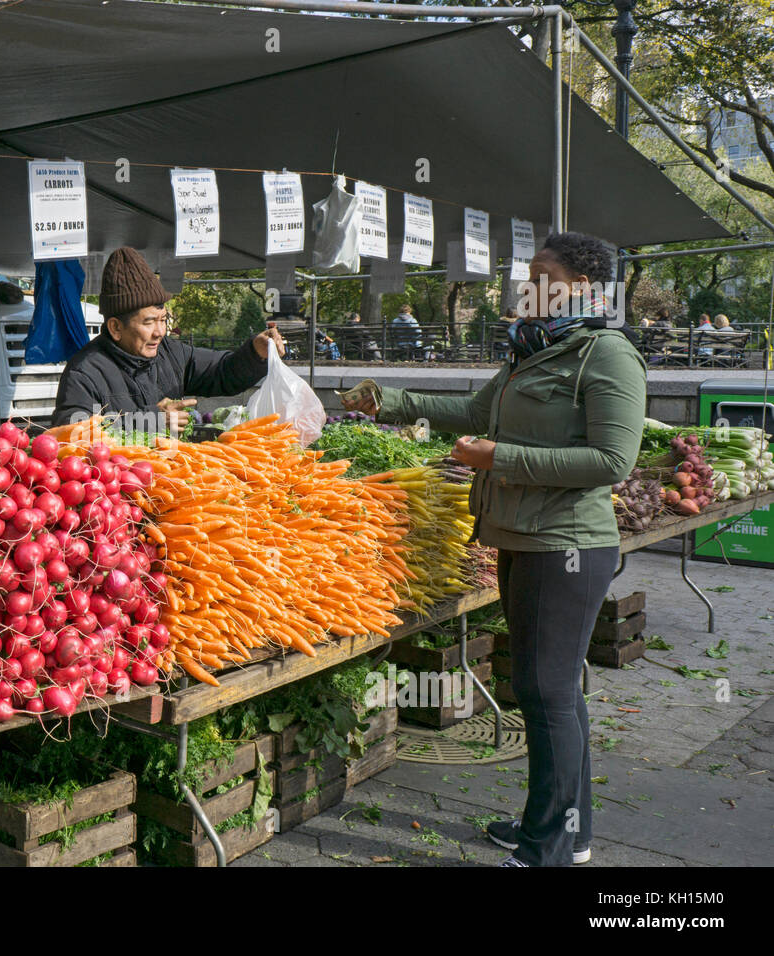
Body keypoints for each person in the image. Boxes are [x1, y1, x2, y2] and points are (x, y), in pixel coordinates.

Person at [342, 231, 646, 867]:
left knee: (545, 693)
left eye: (541, 273)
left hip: (565, 545)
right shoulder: (530, 352)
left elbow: (611, 460)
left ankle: (547, 850)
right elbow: (475, 411)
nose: (526, 285)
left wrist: (501, 458)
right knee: (551, 693)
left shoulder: (606, 355)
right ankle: (566, 829)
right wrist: (389, 401)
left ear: (581, 287)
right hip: (517, 537)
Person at [51, 247, 284, 431]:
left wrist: (255, 353)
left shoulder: (171, 353)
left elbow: (222, 371)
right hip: (116, 487)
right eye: (149, 322)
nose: (160, 331)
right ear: (115, 327)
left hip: (169, 480)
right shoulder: (84, 372)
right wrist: (151, 421)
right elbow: (70, 431)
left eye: (163, 319)